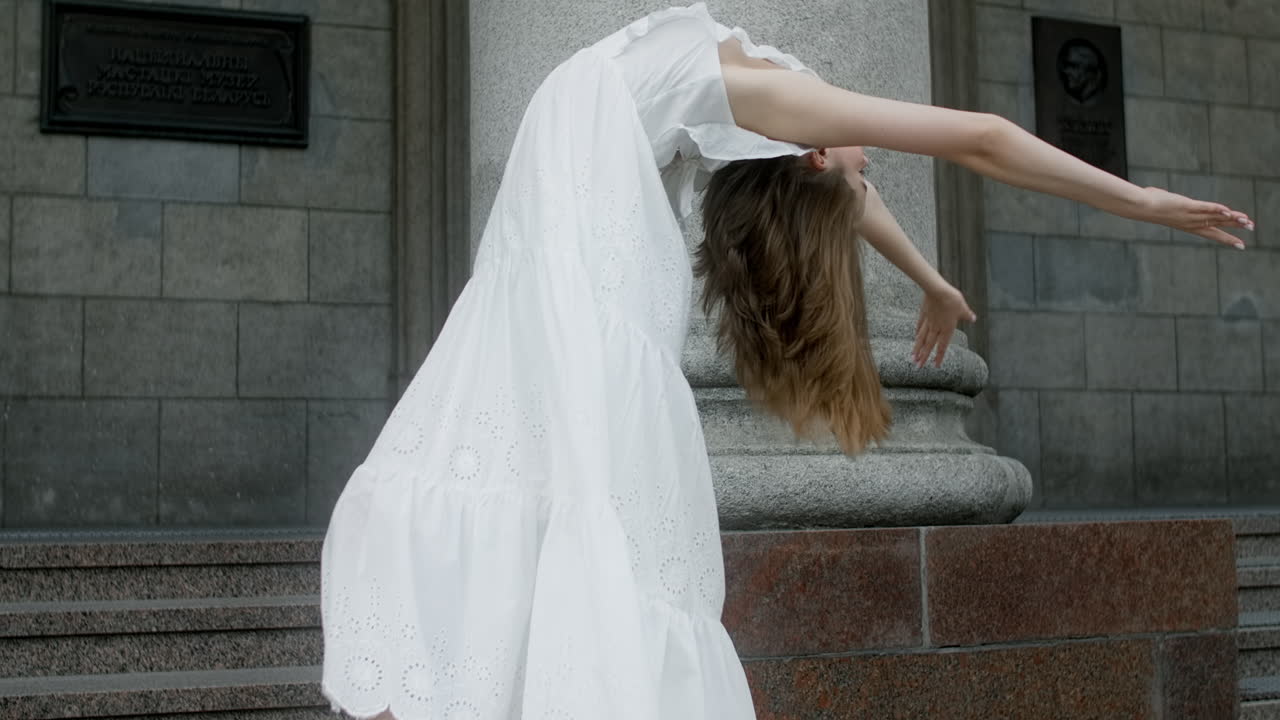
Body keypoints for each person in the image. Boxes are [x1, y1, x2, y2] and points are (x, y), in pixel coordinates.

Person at [318, 4, 1253, 719]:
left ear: (803, 156)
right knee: (567, 516)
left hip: (559, 256)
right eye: (862, 169)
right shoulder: (758, 104)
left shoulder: (759, 110)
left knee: (544, 505)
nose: (869, 165)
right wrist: (1111, 214)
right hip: (558, 261)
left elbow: (912, 161)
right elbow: (920, 159)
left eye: (855, 171)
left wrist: (954, 271)